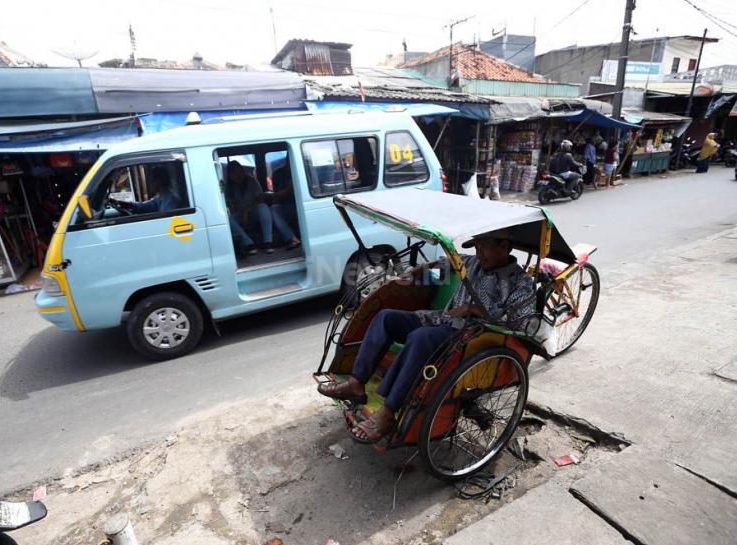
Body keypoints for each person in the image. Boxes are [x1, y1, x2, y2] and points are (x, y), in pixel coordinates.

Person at [317, 230, 534, 443]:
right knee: (386, 317)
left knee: (421, 338)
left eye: (484, 247)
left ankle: (387, 412)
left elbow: (521, 324)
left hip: (470, 335)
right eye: (477, 247)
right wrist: (418, 273)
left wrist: (477, 310)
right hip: (439, 319)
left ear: (503, 247)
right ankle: (356, 383)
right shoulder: (470, 263)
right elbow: (438, 273)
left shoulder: (520, 282)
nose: (479, 253)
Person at [225, 161, 275, 255]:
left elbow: (260, 199)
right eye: (233, 173)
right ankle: (248, 243)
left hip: (253, 211)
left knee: (263, 207)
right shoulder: (229, 187)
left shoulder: (251, 181)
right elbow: (230, 204)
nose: (237, 174)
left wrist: (246, 211)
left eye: (238, 171)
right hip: (240, 214)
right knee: (228, 219)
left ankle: (268, 242)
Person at [112, 167, 183, 214]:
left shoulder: (170, 199)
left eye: (152, 180)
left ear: (158, 181)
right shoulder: (160, 196)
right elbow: (144, 206)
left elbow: (165, 221)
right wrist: (123, 203)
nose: (150, 183)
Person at [270, 166, 302, 250]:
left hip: (303, 205)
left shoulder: (303, 169)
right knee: (274, 209)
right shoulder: (278, 175)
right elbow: (276, 196)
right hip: (289, 207)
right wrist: (289, 188)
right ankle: (293, 239)